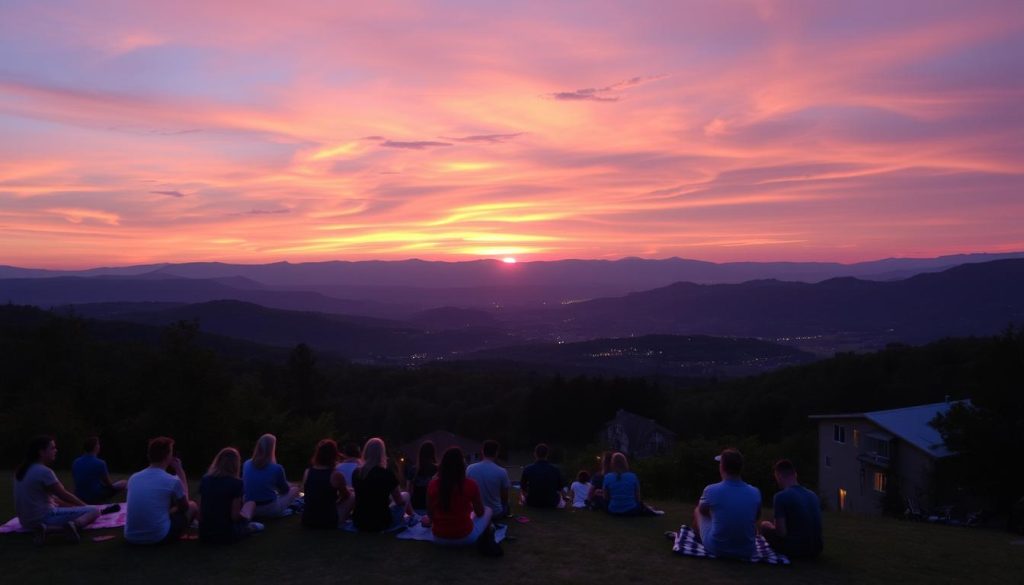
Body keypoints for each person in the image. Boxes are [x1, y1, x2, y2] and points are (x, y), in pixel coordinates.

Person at [14, 435, 100, 545]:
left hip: (26, 522)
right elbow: (63, 494)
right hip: (44, 517)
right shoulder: (44, 471)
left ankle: (48, 529)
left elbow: (54, 499)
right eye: (52, 448)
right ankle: (71, 526)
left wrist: (73, 507)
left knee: (68, 507)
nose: (56, 450)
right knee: (94, 510)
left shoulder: (21, 470)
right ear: (41, 452)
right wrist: (85, 506)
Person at [124, 436, 198, 545]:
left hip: (131, 536)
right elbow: (185, 506)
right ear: (168, 456)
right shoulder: (171, 481)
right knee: (192, 506)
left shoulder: (134, 478)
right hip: (157, 536)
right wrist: (180, 470)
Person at [425, 447, 497, 552]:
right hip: (465, 538)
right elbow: (480, 512)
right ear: (462, 465)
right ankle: (488, 533)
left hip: (438, 538)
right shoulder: (470, 484)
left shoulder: (432, 485)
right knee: (488, 510)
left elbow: (430, 514)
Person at [693, 448, 761, 559]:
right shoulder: (755, 492)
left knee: (697, 510)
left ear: (722, 467)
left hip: (718, 548)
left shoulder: (711, 490)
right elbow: (756, 517)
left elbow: (703, 511)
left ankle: (699, 538)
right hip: (747, 550)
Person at [759, 459, 823, 558]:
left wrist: (769, 526)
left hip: (796, 550)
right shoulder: (813, 495)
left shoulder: (780, 496)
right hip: (816, 549)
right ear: (795, 474)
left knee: (764, 525)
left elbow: (781, 533)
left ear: (778, 476)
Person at [199, 447, 263, 544]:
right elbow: (235, 516)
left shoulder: (205, 480)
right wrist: (244, 516)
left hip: (205, 534)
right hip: (226, 534)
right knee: (251, 504)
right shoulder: (236, 483)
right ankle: (248, 527)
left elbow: (201, 510)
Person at [351, 437, 415, 532]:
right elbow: (399, 501)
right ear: (382, 453)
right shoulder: (386, 474)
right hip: (381, 522)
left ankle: (412, 515)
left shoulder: (356, 473)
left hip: (359, 521)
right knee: (405, 495)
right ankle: (413, 516)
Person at [301, 439, 355, 529]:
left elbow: (308, 492)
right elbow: (346, 496)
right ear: (334, 455)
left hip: (307, 519)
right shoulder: (335, 475)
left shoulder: (307, 472)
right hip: (328, 520)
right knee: (353, 495)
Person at [242, 434, 299, 518]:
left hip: (248, 508)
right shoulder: (276, 468)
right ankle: (283, 511)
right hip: (269, 509)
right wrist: (291, 486)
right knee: (295, 489)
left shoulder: (246, 463)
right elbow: (284, 491)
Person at [602, 452, 662, 516]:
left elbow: (606, 497)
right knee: (641, 505)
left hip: (613, 510)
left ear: (612, 463)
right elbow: (637, 498)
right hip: (632, 510)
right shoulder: (633, 476)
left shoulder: (607, 477)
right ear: (625, 463)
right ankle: (650, 510)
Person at [72, 436, 127, 504]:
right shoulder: (100, 463)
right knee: (124, 483)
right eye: (98, 444)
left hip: (79, 495)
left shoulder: (75, 462)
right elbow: (109, 484)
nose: (99, 446)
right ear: (95, 447)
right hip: (95, 496)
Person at [467, 439, 511, 519]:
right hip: (495, 513)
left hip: (475, 512)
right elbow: (505, 497)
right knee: (506, 505)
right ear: (496, 453)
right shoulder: (502, 471)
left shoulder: (470, 468)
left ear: (482, 451)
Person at [520, 443, 564, 509]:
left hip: (532, 502)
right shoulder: (555, 469)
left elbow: (523, 487)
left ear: (535, 454)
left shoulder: (527, 469)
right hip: (551, 503)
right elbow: (560, 488)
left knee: (522, 495)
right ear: (547, 454)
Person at [405, 440, 437, 514]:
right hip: (433, 508)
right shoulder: (437, 470)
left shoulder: (413, 470)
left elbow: (408, 492)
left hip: (416, 507)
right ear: (433, 453)